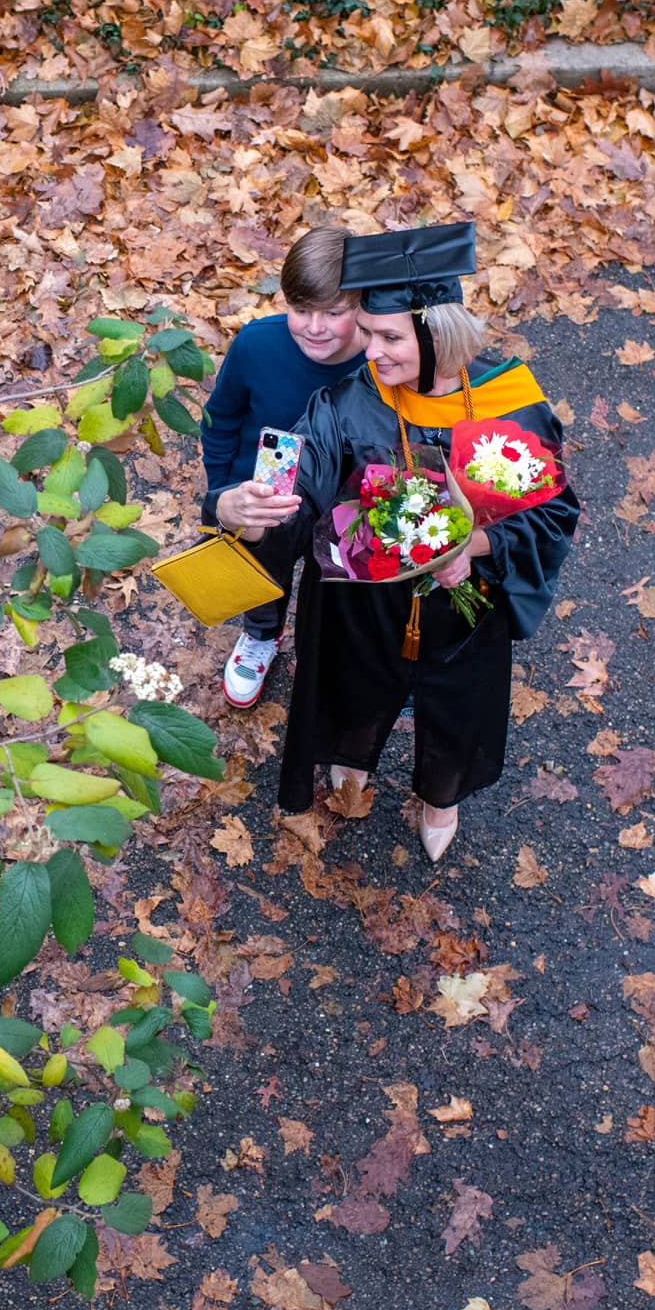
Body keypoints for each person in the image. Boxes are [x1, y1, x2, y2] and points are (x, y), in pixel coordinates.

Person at [207, 222, 579, 860]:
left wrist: (474, 549)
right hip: (360, 595)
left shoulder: (505, 405)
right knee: (352, 679)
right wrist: (237, 506)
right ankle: (352, 759)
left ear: (437, 335)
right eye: (370, 333)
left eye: (387, 337)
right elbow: (296, 490)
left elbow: (550, 515)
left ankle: (440, 794)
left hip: (465, 600)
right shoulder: (349, 403)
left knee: (457, 700)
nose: (368, 351)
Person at [198, 227, 366, 707]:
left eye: (334, 313)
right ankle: (262, 632)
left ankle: (333, 648)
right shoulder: (257, 344)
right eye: (300, 310)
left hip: (344, 494)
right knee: (262, 565)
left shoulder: (381, 361)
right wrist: (224, 490)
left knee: (339, 578)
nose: (315, 326)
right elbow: (222, 419)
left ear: (363, 306)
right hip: (269, 488)